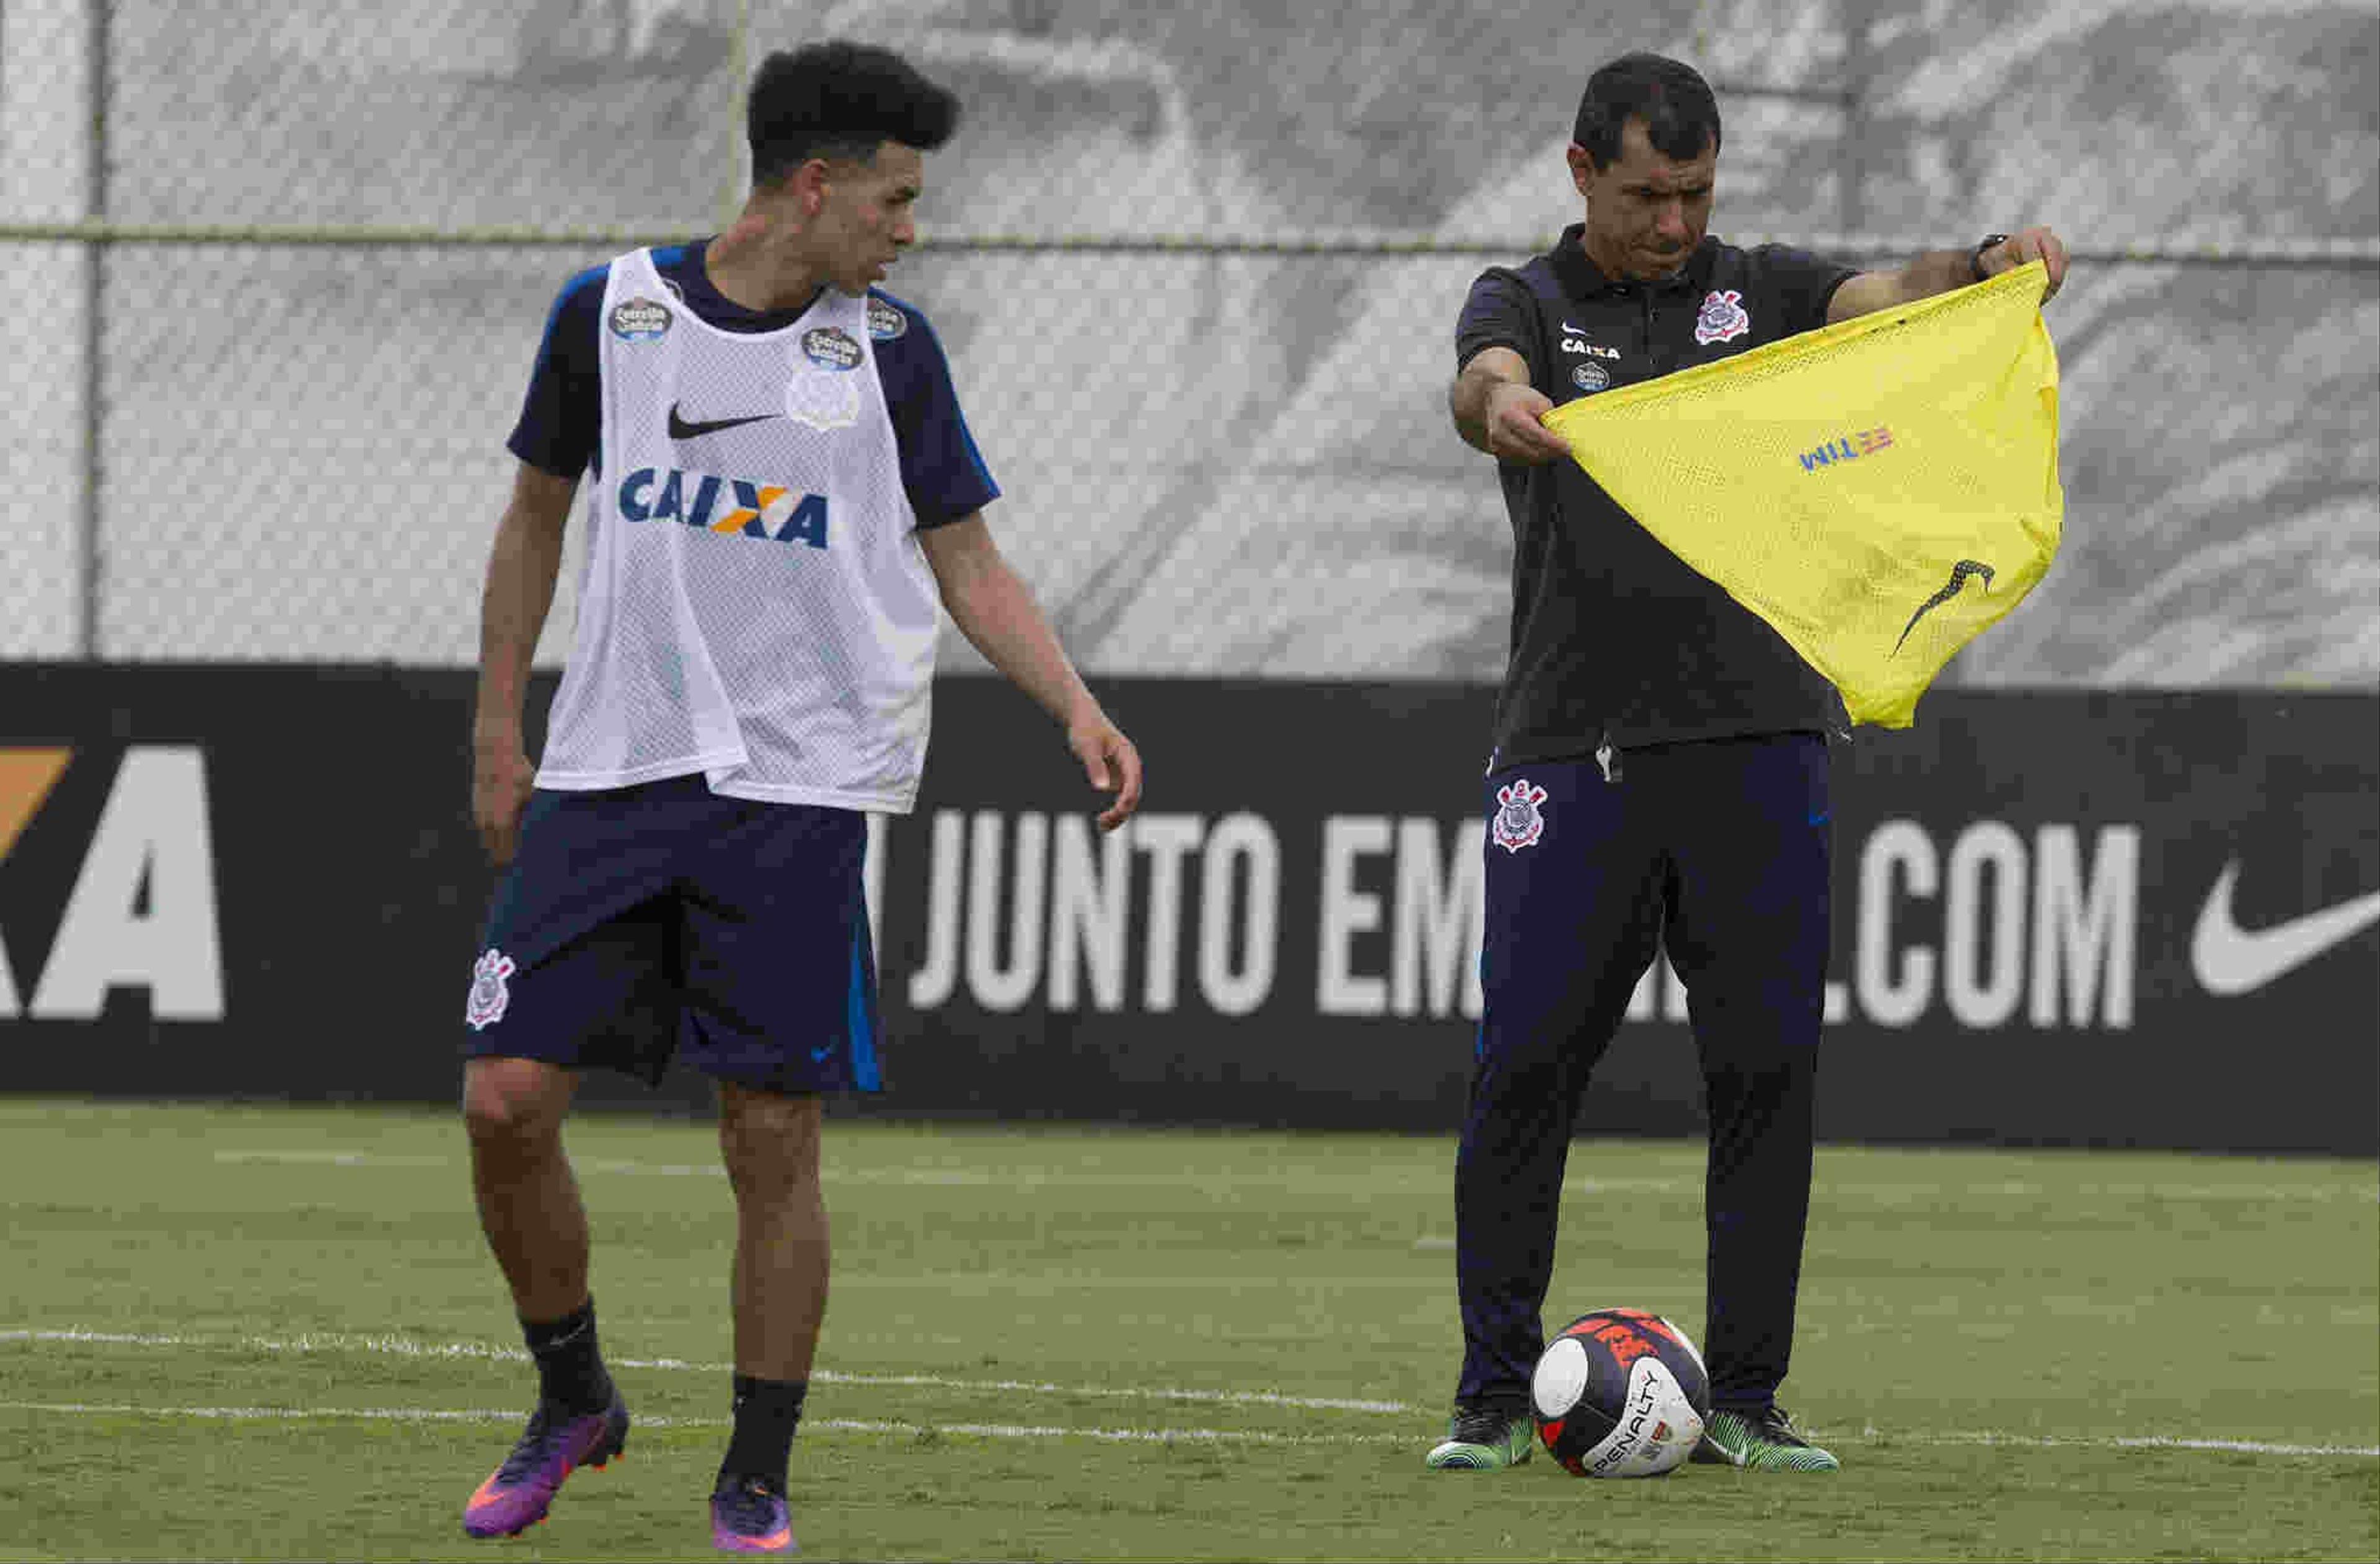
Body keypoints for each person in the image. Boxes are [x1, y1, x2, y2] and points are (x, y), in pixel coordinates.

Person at [457, 40, 1142, 1552]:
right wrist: (503, 724)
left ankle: (753, 1470)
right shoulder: (610, 311)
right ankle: (574, 1396)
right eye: (895, 198)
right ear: (812, 183)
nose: (911, 227)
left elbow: (969, 560)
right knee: (505, 1100)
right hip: (610, 767)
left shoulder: (889, 351)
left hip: (799, 787)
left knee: (770, 1134)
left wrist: (1077, 704)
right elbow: (531, 520)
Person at [1429, 51, 2066, 1473]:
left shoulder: (1763, 293)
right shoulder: (1525, 300)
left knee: (1766, 1072)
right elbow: (1481, 380)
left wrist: (1981, 263)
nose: (1673, 222)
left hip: (1761, 740)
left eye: (1696, 193)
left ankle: (1751, 1396)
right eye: (1647, 193)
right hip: (1569, 748)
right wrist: (1505, 407)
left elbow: (1883, 302)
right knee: (1525, 1064)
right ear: (1581, 171)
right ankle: (1486, 1391)